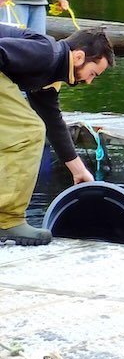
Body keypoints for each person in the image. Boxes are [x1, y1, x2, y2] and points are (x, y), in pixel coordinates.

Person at [0, 26, 114, 245]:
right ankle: (7, 220)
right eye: (92, 74)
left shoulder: (50, 72)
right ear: (79, 57)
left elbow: (54, 123)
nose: (89, 82)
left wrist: (79, 170)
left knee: (18, 130)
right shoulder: (47, 54)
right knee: (28, 130)